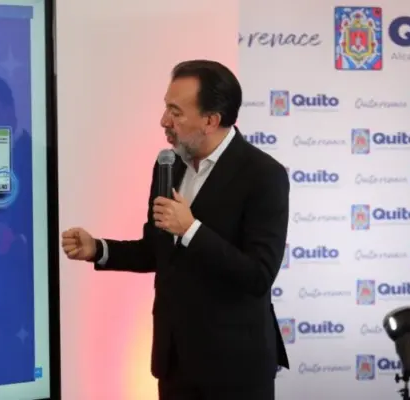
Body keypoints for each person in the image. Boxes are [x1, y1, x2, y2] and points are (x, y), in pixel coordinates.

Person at [62, 59, 290, 400]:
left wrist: (192, 229)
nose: (164, 121)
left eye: (176, 112)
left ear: (211, 120)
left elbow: (258, 276)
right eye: (166, 107)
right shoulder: (168, 165)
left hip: (234, 369)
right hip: (174, 362)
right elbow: (158, 250)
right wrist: (98, 248)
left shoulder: (263, 175)